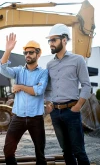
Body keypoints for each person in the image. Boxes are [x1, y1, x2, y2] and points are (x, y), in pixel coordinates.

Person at [0, 33, 48, 165]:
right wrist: (8, 50)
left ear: (38, 54)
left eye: (31, 52)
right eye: (25, 53)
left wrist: (20, 86)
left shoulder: (43, 73)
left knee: (40, 154)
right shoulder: (18, 71)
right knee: (8, 150)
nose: (28, 55)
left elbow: (38, 91)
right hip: (18, 117)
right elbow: (2, 70)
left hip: (36, 119)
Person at [45, 24, 91, 165]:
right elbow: (48, 89)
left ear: (64, 40)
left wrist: (77, 106)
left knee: (79, 151)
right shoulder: (49, 65)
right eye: (49, 41)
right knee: (66, 151)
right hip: (56, 113)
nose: (51, 44)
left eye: (54, 40)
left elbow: (86, 85)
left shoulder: (78, 60)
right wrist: (48, 104)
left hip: (71, 112)